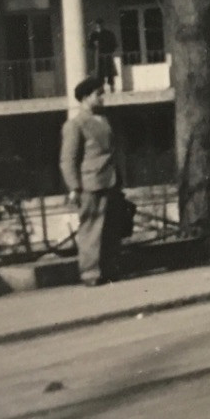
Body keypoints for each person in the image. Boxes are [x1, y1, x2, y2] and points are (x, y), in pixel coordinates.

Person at [59, 75, 124, 286]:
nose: (103, 97)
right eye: (98, 94)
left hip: (110, 180)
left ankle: (108, 269)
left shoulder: (104, 119)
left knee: (110, 229)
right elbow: (67, 160)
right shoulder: (76, 125)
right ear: (86, 97)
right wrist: (74, 187)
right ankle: (90, 274)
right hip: (90, 184)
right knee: (91, 230)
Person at [88, 19, 119, 91]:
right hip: (98, 56)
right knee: (99, 72)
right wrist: (94, 45)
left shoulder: (108, 33)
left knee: (110, 71)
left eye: (101, 24)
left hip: (107, 54)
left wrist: (110, 50)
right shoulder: (94, 35)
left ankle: (112, 86)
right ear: (96, 25)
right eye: (98, 24)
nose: (99, 26)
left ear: (103, 24)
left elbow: (114, 44)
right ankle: (100, 87)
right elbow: (90, 46)